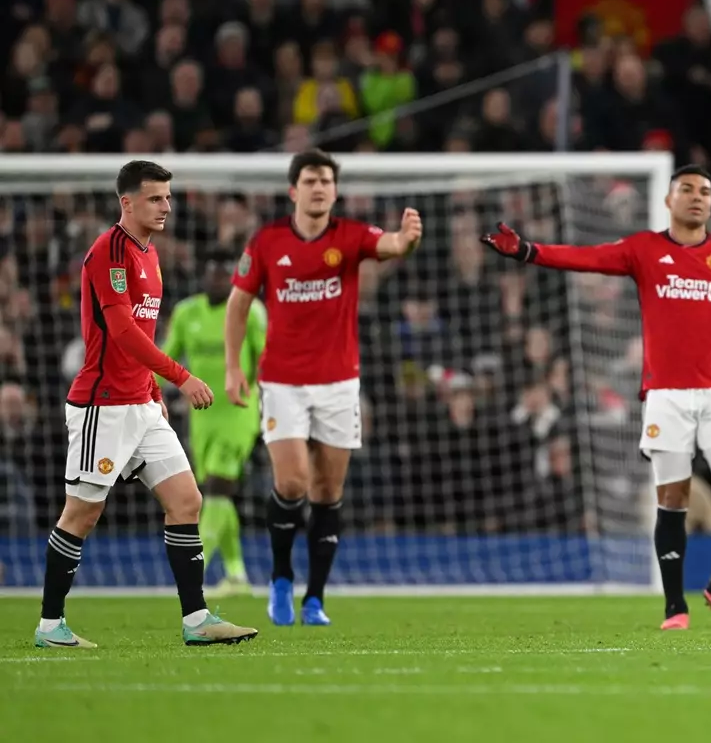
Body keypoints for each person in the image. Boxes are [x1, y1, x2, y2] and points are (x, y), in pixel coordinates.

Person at [481, 164, 711, 631]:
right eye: (687, 189)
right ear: (668, 200)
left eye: (705, 191)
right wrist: (528, 251)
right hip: (666, 395)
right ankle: (674, 604)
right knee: (672, 495)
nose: (697, 197)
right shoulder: (644, 249)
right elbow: (586, 257)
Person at [36, 161, 257, 649]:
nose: (166, 207)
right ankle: (50, 624)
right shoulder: (108, 251)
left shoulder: (149, 255)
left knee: (187, 501)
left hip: (142, 403)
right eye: (156, 198)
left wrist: (155, 392)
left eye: (169, 198)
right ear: (127, 202)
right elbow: (120, 331)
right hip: (103, 405)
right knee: (82, 514)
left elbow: (145, 331)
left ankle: (196, 619)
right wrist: (180, 377)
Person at [224, 150, 424, 627]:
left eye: (327, 182)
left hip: (338, 384)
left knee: (327, 491)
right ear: (294, 190)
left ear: (335, 191)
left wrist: (409, 239)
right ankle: (278, 578)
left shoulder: (351, 236)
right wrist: (234, 368)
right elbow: (237, 303)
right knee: (291, 481)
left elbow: (391, 245)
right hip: (282, 381)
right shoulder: (268, 241)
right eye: (311, 180)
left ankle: (314, 598)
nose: (319, 188)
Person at [161, 248, 267, 595]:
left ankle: (195, 565)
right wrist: (145, 390)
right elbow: (166, 359)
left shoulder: (251, 311)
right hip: (202, 417)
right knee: (217, 494)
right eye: (213, 273)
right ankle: (236, 574)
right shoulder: (186, 312)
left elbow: (266, 361)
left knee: (221, 486)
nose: (218, 280)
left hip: (239, 412)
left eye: (225, 274)